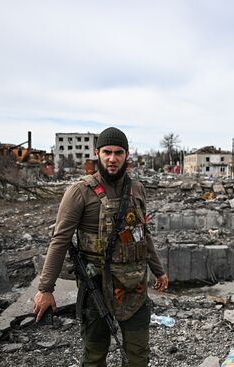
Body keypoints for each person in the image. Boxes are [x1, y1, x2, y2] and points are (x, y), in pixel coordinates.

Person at [33, 127, 169, 366]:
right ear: (97, 153)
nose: (112, 158)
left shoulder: (137, 189)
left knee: (138, 356)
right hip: (96, 288)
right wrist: (45, 289)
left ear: (127, 155)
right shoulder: (79, 192)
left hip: (135, 289)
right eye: (107, 152)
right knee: (95, 357)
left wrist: (159, 270)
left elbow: (142, 234)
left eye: (118, 152)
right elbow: (60, 240)